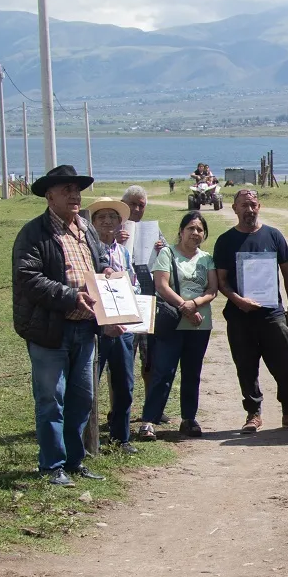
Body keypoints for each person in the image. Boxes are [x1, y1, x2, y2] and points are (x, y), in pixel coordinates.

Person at [12, 165, 110, 487]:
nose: (74, 195)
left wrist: (107, 273)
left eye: (77, 190)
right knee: (51, 399)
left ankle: (74, 461)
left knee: (82, 399)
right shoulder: (33, 233)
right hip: (50, 331)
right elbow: (28, 278)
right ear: (49, 195)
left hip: (85, 330)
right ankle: (52, 466)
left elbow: (99, 262)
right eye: (66, 189)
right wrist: (71, 296)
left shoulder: (86, 229)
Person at [213, 189, 288, 433]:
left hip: (272, 314)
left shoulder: (273, 235)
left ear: (259, 206)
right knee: (246, 366)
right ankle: (253, 414)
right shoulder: (225, 241)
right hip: (240, 316)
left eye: (253, 204)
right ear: (234, 208)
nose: (249, 209)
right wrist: (238, 300)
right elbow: (221, 281)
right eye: (243, 205)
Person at [139, 211, 220, 441]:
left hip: (200, 324)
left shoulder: (207, 258)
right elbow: (161, 285)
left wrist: (195, 304)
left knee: (192, 372)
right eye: (191, 228)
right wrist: (185, 306)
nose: (195, 233)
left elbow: (212, 290)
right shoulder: (167, 253)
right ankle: (148, 421)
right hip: (171, 322)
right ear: (181, 231)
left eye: (200, 230)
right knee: (163, 371)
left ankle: (188, 419)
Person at [88, 197, 140, 454]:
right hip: (97, 327)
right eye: (101, 217)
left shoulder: (124, 251)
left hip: (124, 328)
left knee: (124, 385)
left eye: (112, 217)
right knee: (89, 386)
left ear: (120, 221)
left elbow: (134, 282)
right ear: (93, 222)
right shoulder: (87, 250)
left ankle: (121, 438)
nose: (107, 221)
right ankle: (88, 440)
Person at [120, 185, 168, 421]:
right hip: (122, 303)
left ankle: (152, 410)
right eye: (132, 204)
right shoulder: (112, 229)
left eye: (141, 205)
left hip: (149, 301)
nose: (137, 209)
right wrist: (115, 241)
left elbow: (168, 261)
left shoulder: (153, 231)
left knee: (151, 360)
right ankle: (118, 411)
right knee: (123, 361)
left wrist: (162, 250)